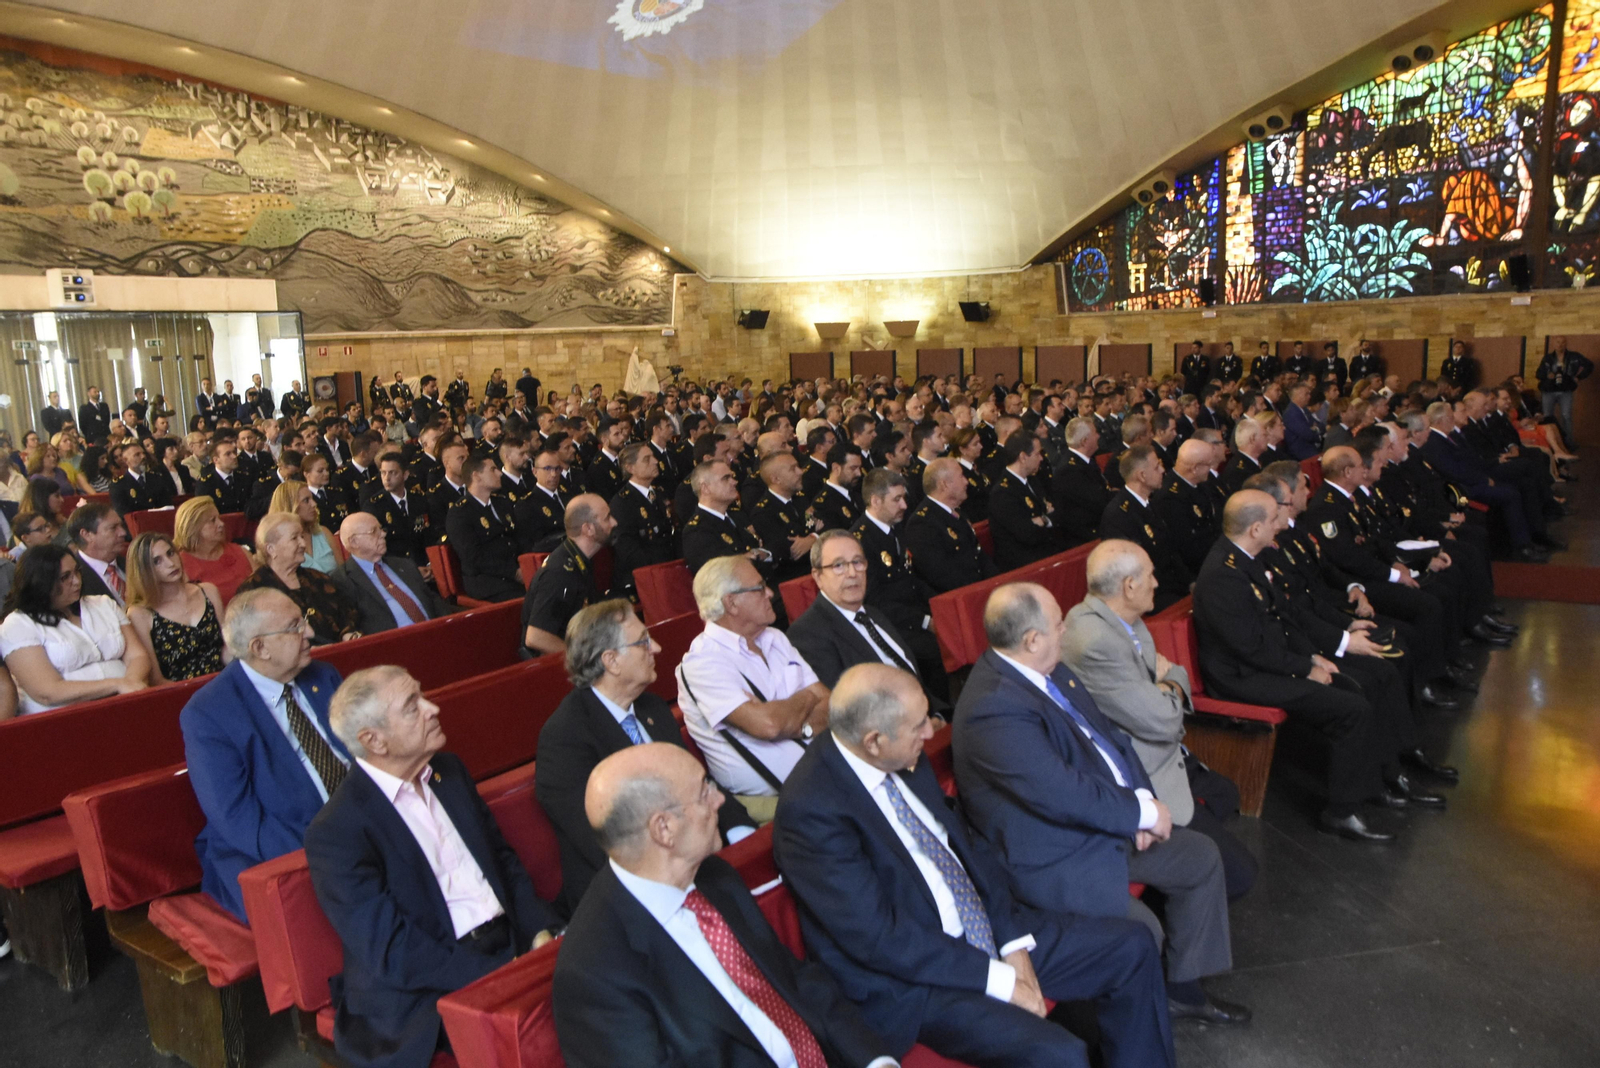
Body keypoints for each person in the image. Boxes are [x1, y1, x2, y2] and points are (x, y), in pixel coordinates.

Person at [774, 663, 1175, 1068]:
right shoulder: (811, 810)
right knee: (1062, 1056)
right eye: (918, 728)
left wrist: (1011, 941)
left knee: (1132, 946)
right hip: (918, 978)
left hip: (980, 928)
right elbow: (880, 940)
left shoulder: (902, 753)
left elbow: (965, 851)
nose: (930, 734)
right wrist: (1000, 978)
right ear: (873, 741)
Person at [953, 584, 1246, 1025]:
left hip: (1098, 821)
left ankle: (1182, 990)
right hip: (1051, 853)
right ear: (1032, 639)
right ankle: (1133, 1021)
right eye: (1058, 624)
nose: (1066, 629)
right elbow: (1060, 792)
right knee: (1141, 929)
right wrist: (1137, 815)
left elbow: (1114, 742)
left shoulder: (1052, 669)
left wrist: (1143, 801)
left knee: (1200, 857)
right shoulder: (993, 707)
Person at [553, 742, 894, 1068]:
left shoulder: (714, 876)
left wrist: (873, 1059)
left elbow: (794, 979)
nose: (719, 800)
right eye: (704, 792)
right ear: (664, 829)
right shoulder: (594, 973)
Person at [306, 666, 559, 1068]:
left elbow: (504, 863)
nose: (433, 708)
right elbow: (394, 950)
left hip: (504, 943)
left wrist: (538, 932)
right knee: (553, 1036)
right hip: (427, 986)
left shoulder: (449, 772)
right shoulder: (338, 830)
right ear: (374, 740)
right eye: (412, 707)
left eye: (422, 695)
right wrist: (501, 974)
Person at [1194, 491, 1412, 842]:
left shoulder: (1246, 558)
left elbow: (1282, 616)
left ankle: (1375, 783)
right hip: (1240, 677)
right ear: (1255, 528)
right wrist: (1304, 669)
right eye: (1273, 518)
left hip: (1264, 663)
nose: (1282, 522)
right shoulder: (1223, 573)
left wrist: (1312, 656)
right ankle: (1340, 812)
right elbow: (1248, 648)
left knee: (1362, 685)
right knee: (1350, 708)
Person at [1062, 541, 1257, 900]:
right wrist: (1174, 681)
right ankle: (1167, 892)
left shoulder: (1123, 620)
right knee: (1242, 874)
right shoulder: (1093, 640)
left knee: (1226, 793)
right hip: (1140, 771)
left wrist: (1162, 686)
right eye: (1150, 575)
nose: (1157, 582)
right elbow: (1165, 719)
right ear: (1129, 586)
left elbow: (1156, 699)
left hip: (1165, 752)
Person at [535, 600, 758, 914]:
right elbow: (608, 843)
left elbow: (697, 782)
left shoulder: (651, 708)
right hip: (633, 896)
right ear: (611, 660)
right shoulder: (566, 739)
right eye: (642, 642)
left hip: (694, 856)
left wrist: (743, 837)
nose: (656, 647)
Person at [675, 555, 828, 822]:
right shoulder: (703, 663)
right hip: (776, 803)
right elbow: (767, 726)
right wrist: (807, 697)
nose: (770, 593)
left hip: (825, 772)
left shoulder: (776, 638)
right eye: (759, 588)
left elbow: (829, 702)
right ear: (731, 603)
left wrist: (795, 723)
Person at [788, 529, 950, 712]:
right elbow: (848, 709)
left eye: (857, 562)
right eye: (838, 565)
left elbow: (912, 676)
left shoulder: (875, 615)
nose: (852, 573)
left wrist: (939, 716)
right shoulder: (808, 633)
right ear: (818, 577)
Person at [0, 545, 150, 715]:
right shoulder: (18, 624)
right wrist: (117, 684)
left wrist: (130, 684)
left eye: (77, 571)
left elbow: (138, 655)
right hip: (65, 717)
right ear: (41, 581)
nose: (77, 581)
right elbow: (47, 692)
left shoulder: (102, 603)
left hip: (127, 702)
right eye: (65, 577)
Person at [239, 512, 362, 645]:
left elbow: (346, 613)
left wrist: (347, 633)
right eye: (294, 538)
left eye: (302, 536)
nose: (303, 543)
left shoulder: (319, 579)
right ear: (271, 549)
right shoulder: (253, 591)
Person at [124, 532, 227, 683]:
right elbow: (156, 679)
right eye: (157, 561)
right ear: (144, 570)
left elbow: (227, 648)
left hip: (223, 680)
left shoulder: (208, 591)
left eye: (170, 553)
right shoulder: (140, 613)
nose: (170, 563)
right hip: (179, 692)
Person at [522, 494, 616, 657]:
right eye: (607, 518)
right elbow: (536, 637)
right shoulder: (560, 573)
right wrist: (582, 660)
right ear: (588, 529)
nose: (614, 522)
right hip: (554, 667)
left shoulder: (579, 559)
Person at [331, 512, 454, 635]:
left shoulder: (404, 565)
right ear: (354, 542)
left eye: (381, 529)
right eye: (374, 531)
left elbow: (432, 600)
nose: (383, 534)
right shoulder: (343, 580)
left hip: (435, 634)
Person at [903, 458, 1000, 593]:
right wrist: (980, 589)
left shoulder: (957, 512)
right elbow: (941, 574)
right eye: (961, 476)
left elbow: (978, 555)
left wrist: (997, 582)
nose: (966, 482)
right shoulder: (921, 524)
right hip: (961, 596)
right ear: (944, 485)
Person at [444, 455, 524, 602]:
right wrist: (514, 572)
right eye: (493, 469)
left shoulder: (502, 503)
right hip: (487, 582)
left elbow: (518, 537)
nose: (499, 473)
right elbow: (474, 557)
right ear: (477, 476)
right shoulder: (460, 513)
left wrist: (527, 565)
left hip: (515, 572)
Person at [987, 432, 1063, 571]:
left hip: (1046, 552)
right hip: (1025, 565)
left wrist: (1043, 520)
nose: (1041, 458)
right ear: (1023, 457)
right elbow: (1028, 534)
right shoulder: (1002, 493)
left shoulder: (1033, 480)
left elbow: (1057, 512)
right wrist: (1048, 519)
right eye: (1037, 454)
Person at [175, 497, 255, 606]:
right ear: (193, 527)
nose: (221, 524)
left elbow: (265, 589)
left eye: (219, 518)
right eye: (212, 520)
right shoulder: (180, 565)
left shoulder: (240, 552)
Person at [270, 480, 346, 575]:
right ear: (290, 506)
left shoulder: (324, 532)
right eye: (306, 500)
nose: (314, 504)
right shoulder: (278, 544)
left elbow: (343, 575)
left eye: (312, 499)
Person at [64, 502, 130, 606]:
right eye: (113, 528)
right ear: (87, 535)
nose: (123, 533)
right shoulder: (73, 579)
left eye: (121, 526)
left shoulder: (131, 564)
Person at [1535, 336, 1594, 447]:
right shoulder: (1548, 358)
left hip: (1566, 390)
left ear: (1566, 344)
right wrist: (1547, 375)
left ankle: (1568, 442)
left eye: (1563, 342)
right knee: (1547, 415)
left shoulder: (1574, 356)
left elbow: (1589, 365)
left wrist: (1579, 377)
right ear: (1554, 344)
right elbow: (1538, 374)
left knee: (1566, 416)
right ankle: (1549, 442)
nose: (1560, 345)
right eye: (1558, 342)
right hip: (1549, 390)